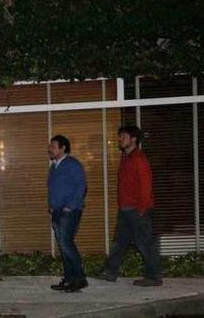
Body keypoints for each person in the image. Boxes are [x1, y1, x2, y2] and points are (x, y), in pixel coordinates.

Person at [96, 125, 163, 286]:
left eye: (124, 136)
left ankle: (154, 277)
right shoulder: (126, 158)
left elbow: (146, 186)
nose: (120, 139)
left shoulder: (139, 159)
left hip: (137, 209)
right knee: (119, 242)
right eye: (120, 136)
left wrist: (141, 209)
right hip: (126, 209)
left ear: (134, 139)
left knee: (145, 243)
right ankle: (110, 272)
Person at [47, 135, 88, 292]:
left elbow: (81, 186)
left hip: (69, 212)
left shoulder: (72, 164)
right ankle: (69, 279)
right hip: (57, 211)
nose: (50, 149)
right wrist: (51, 205)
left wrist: (70, 206)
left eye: (53, 146)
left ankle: (79, 278)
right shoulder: (54, 166)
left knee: (67, 245)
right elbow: (51, 188)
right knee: (64, 246)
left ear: (63, 148)